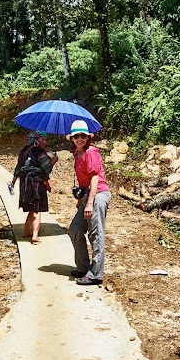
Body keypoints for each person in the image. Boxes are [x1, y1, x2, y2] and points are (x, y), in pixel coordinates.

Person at [67, 119, 110, 285]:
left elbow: (94, 177)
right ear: (72, 138)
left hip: (98, 194)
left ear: (88, 137)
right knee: (75, 229)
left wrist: (90, 202)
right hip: (87, 196)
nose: (80, 139)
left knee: (95, 233)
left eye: (83, 136)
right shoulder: (77, 154)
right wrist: (81, 200)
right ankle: (83, 266)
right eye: (76, 136)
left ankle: (95, 273)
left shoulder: (91, 152)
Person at [10, 130, 58, 244]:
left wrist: (13, 181)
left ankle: (26, 231)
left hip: (24, 184)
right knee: (37, 209)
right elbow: (46, 169)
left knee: (31, 209)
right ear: (36, 139)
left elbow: (18, 167)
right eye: (43, 139)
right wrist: (53, 161)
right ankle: (35, 235)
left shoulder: (24, 151)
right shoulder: (40, 153)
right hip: (36, 184)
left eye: (45, 140)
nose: (44, 142)